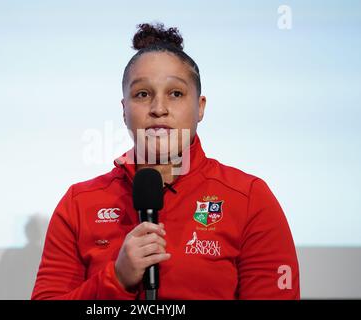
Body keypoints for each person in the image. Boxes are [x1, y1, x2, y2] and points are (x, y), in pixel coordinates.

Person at [31, 22, 300, 300]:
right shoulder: (79, 203)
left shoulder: (250, 198)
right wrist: (117, 279)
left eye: (176, 94)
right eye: (142, 94)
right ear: (124, 110)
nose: (159, 109)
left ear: (200, 108)